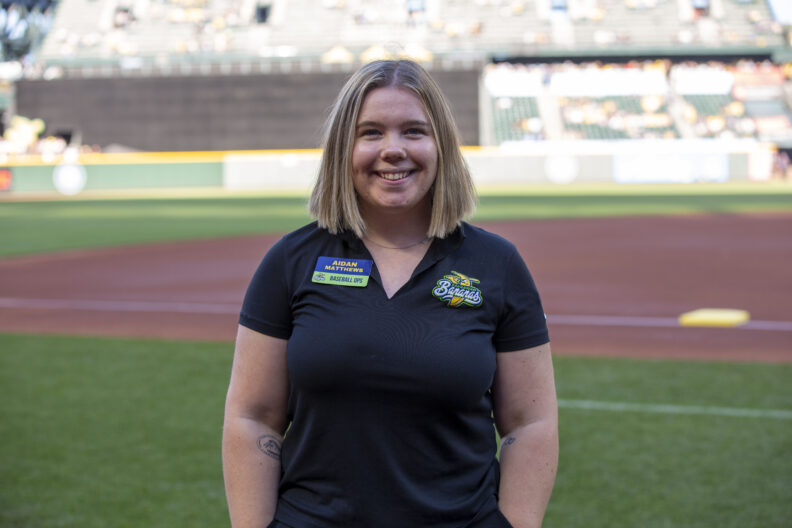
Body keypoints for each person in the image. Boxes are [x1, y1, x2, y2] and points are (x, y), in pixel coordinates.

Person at [222, 59, 558, 528]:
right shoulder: (290, 261)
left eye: (414, 131)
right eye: (371, 133)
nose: (393, 149)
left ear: (441, 145)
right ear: (343, 148)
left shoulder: (497, 264)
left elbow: (530, 422)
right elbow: (253, 417)